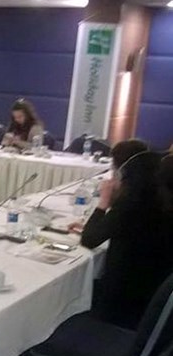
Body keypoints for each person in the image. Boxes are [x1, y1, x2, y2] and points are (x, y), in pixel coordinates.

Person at [69, 140, 171, 329]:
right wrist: (102, 223)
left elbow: (90, 239)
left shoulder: (132, 201)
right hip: (151, 287)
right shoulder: (158, 194)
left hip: (122, 299)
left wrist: (104, 201)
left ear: (122, 172)